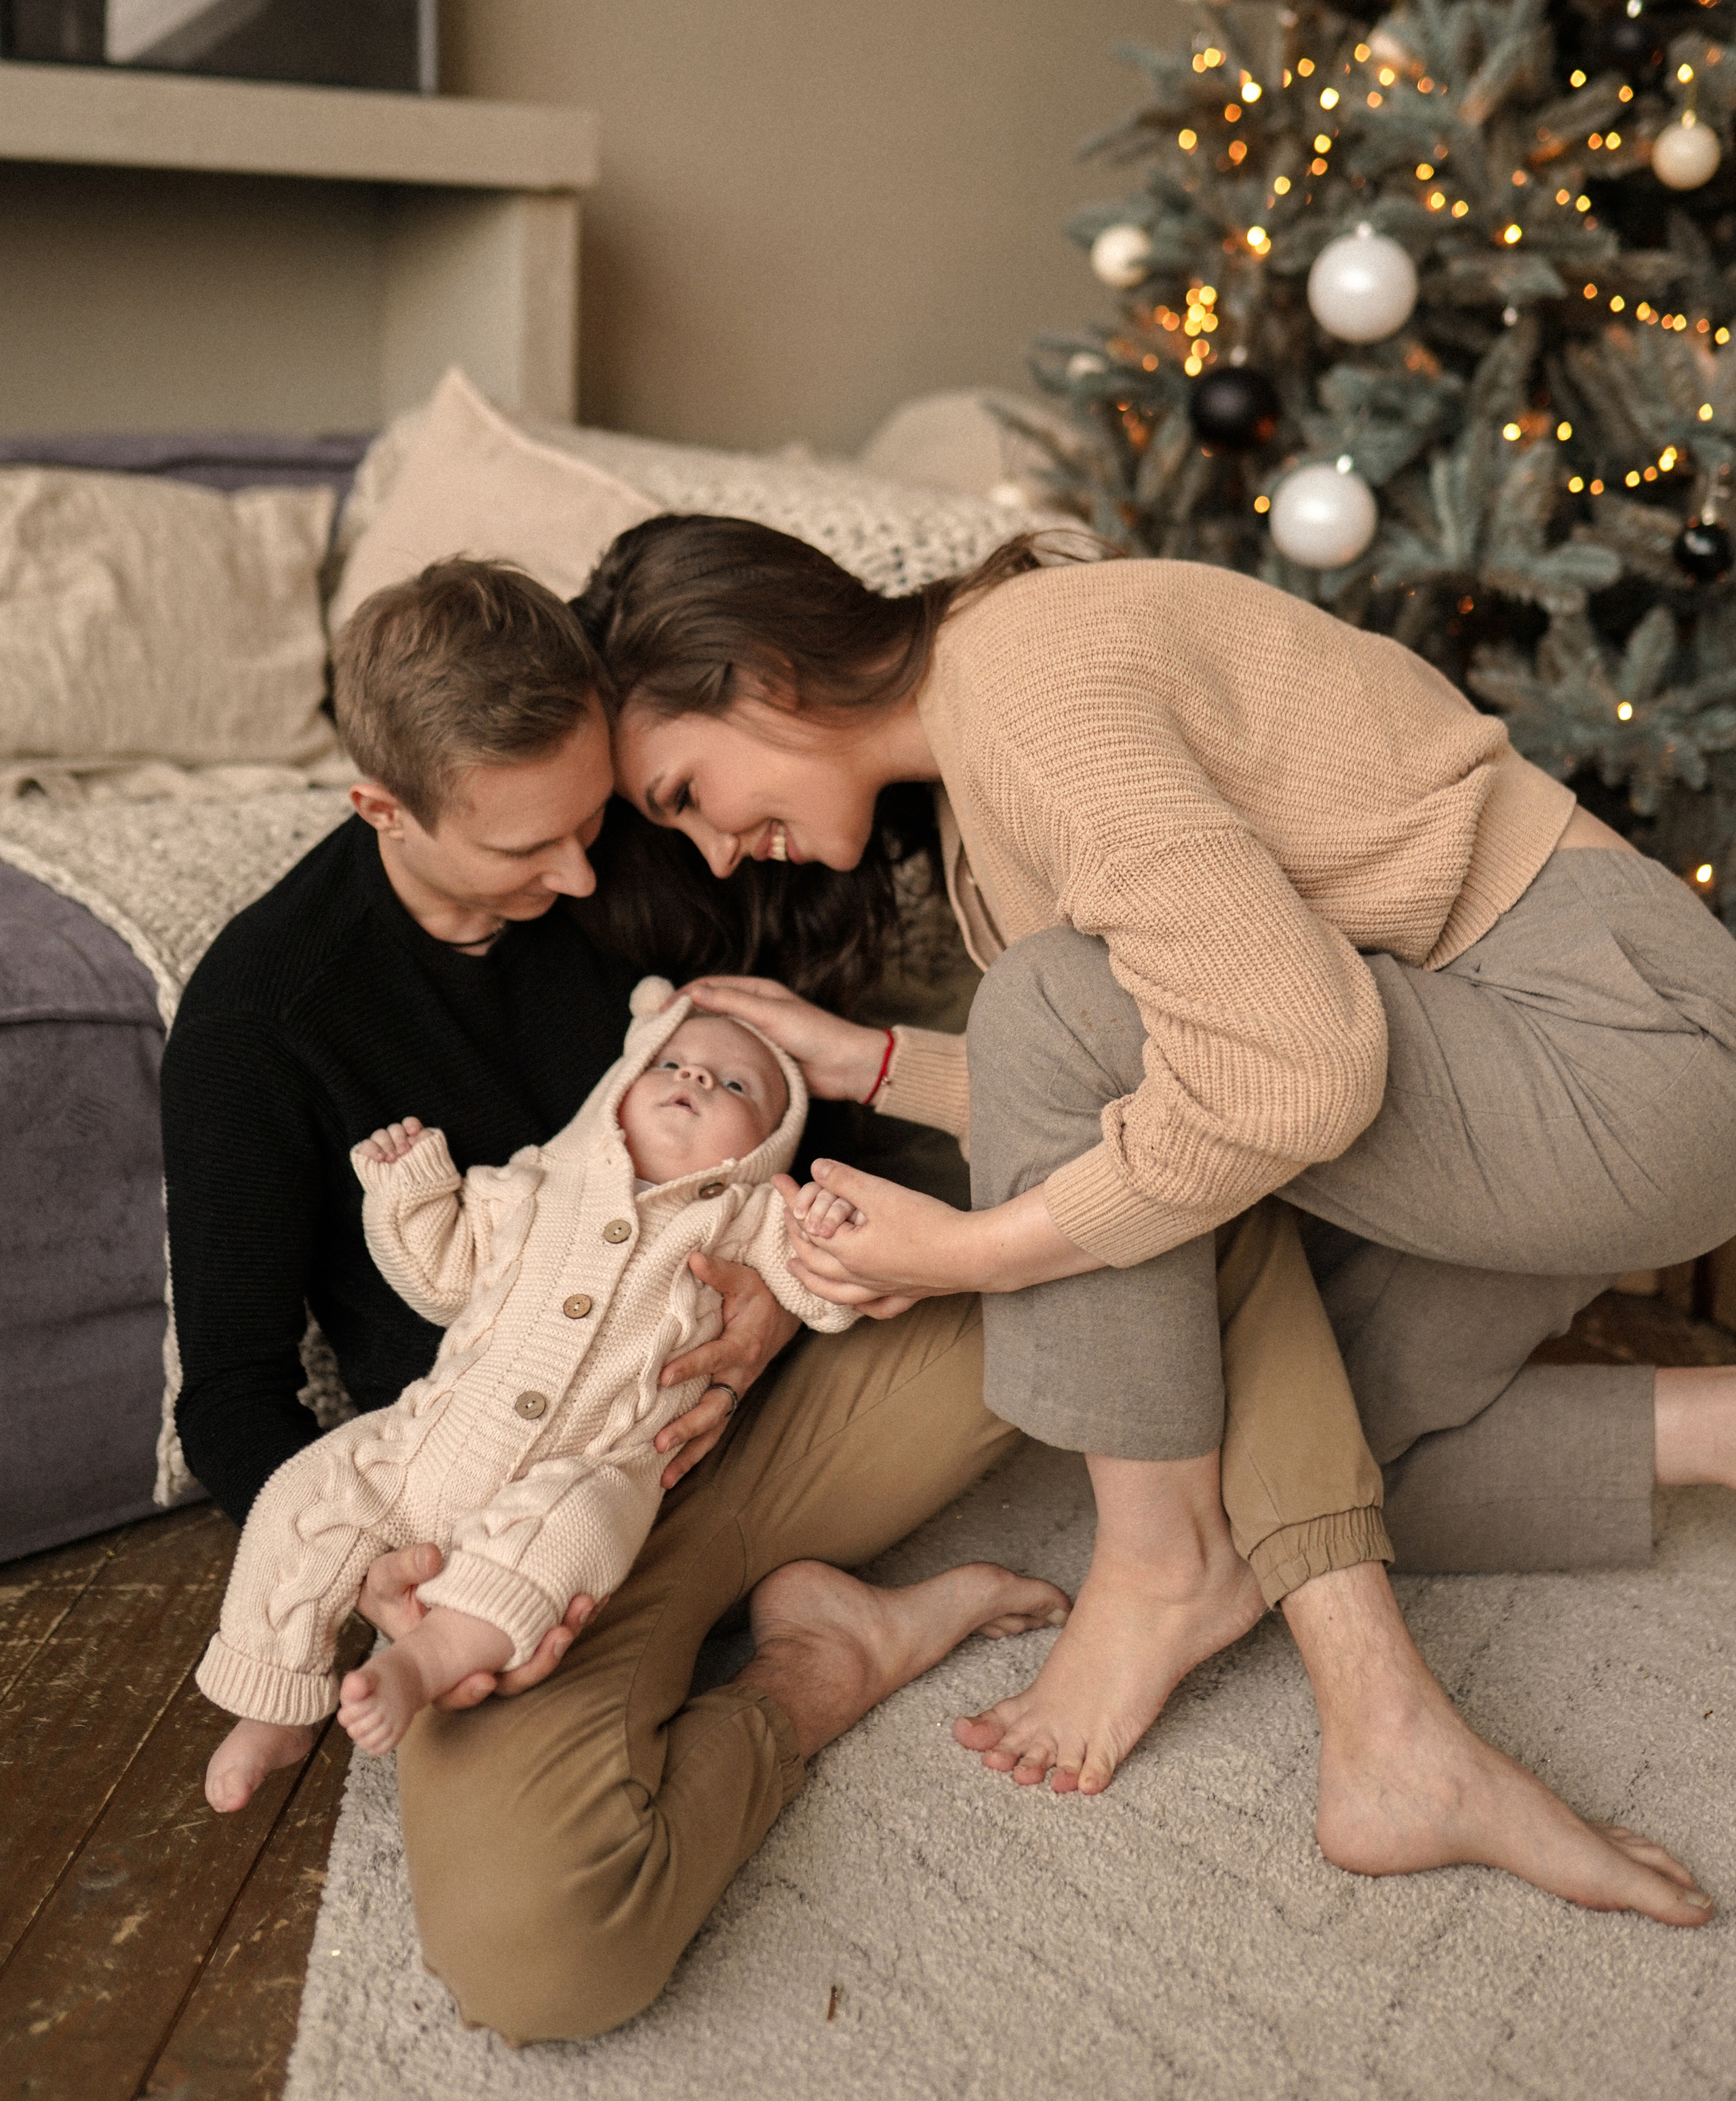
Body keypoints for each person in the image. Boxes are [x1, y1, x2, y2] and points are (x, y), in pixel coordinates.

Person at [586, 511, 1736, 1931]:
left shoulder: (1023, 681)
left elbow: (1282, 1066)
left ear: (756, 678)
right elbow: (1158, 1056)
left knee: (1070, 1044)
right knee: (1313, 1486)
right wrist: (870, 1063)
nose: (709, 854)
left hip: (1622, 1049)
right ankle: (1652, 1490)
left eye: (687, 792)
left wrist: (968, 1253)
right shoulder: (980, 762)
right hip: (1500, 1084)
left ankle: (1154, 1569)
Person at [201, 982, 1066, 1807]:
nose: (694, 1080)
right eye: (671, 1064)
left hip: (589, 1467)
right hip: (426, 1439)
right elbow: (440, 1277)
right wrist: (409, 1191)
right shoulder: (531, 1181)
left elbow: (821, 1293)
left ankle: (423, 1665)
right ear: (616, 1088)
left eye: (734, 1084)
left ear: (768, 1143)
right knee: (306, 1496)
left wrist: (831, 1233)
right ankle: (271, 1704)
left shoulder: (753, 1216)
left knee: (568, 1534)